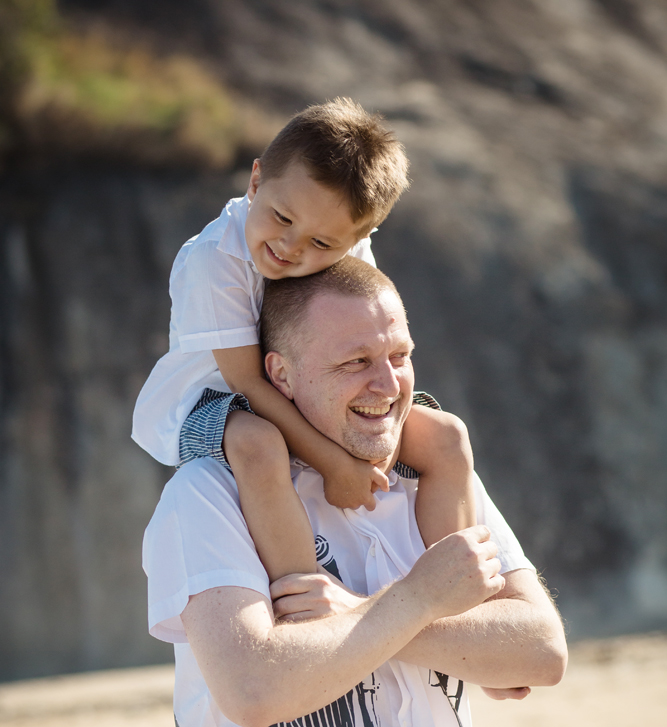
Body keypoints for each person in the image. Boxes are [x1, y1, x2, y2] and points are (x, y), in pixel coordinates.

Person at [142, 257, 567, 727]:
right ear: (276, 375)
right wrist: (416, 602)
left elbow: (539, 650)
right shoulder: (209, 495)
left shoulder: (436, 480)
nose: (388, 384)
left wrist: (372, 614)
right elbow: (253, 683)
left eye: (399, 356)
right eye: (354, 362)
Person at [133, 98, 476, 586]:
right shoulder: (214, 261)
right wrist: (335, 463)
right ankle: (306, 600)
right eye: (282, 218)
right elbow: (248, 382)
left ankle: (453, 587)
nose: (290, 247)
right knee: (257, 443)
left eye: (321, 244)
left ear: (358, 237)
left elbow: (359, 332)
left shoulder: (349, 243)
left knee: (445, 436)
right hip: (211, 402)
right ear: (255, 183)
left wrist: (382, 431)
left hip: (306, 385)